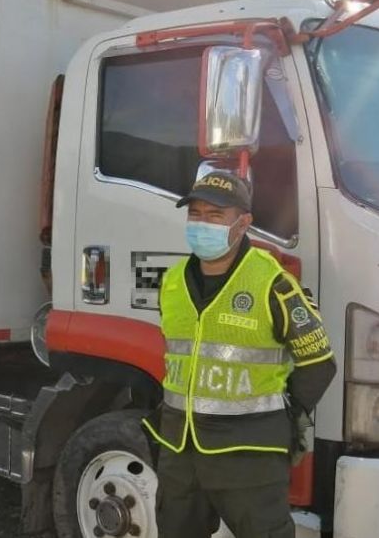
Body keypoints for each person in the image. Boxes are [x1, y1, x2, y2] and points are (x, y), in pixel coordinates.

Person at [145, 171, 337, 538]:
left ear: (243, 222)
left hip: (247, 457)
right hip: (179, 453)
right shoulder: (171, 282)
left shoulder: (272, 283)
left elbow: (319, 363)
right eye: (195, 214)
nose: (202, 224)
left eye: (215, 216)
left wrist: (282, 417)